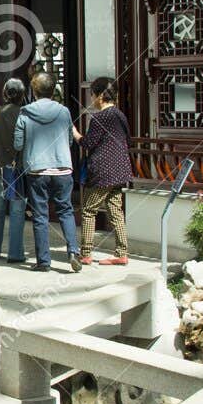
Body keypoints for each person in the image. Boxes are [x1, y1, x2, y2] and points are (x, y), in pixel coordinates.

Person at [13, 72, 81, 273]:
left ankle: (44, 261)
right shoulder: (64, 112)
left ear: (34, 91)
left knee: (40, 215)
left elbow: (17, 143)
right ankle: (73, 252)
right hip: (62, 168)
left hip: (37, 170)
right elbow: (69, 140)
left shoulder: (25, 113)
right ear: (53, 90)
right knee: (66, 211)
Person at [73, 77, 133, 265]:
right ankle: (122, 252)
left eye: (92, 94)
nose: (91, 99)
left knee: (89, 210)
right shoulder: (120, 115)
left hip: (102, 172)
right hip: (120, 169)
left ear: (99, 96)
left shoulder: (99, 118)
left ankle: (86, 253)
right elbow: (128, 140)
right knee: (115, 210)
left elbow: (88, 143)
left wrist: (74, 133)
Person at [0, 77, 28, 264]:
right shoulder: (26, 114)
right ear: (22, 95)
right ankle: (15, 253)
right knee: (18, 212)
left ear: (4, 94)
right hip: (17, 169)